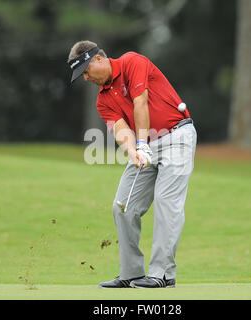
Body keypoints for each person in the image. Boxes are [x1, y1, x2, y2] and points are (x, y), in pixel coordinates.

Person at [68, 40, 197, 288]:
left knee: (166, 203)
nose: (85, 78)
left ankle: (163, 274)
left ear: (98, 59)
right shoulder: (102, 100)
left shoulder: (131, 62)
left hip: (177, 136)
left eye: (85, 71)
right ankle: (131, 274)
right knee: (123, 206)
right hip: (144, 145)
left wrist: (141, 143)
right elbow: (119, 129)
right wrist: (134, 150)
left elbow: (140, 101)